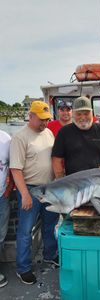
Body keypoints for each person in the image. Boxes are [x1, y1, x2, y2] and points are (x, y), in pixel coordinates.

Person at [10, 101, 59, 285]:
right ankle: (23, 268)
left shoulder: (47, 133)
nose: (45, 123)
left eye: (47, 119)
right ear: (31, 116)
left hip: (49, 189)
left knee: (49, 225)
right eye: (41, 119)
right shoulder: (20, 137)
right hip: (30, 189)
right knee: (25, 231)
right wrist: (25, 194)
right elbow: (16, 169)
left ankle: (49, 255)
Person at [52, 96, 100, 178]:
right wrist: (61, 180)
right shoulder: (64, 132)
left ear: (92, 113)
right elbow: (56, 159)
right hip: (74, 182)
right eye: (79, 114)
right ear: (73, 114)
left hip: (98, 181)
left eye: (86, 113)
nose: (83, 117)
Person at [0, 130, 13, 288]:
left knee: (1, 235)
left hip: (2, 196)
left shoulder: (6, 138)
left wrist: (9, 188)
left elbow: (13, 166)